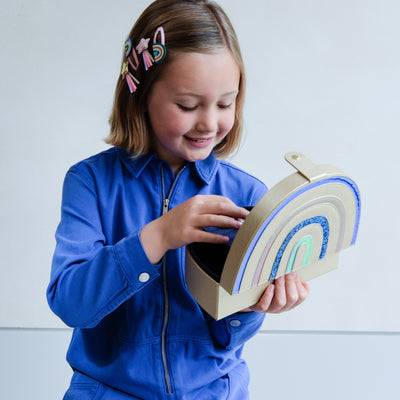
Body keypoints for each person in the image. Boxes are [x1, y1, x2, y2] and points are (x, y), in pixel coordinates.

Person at [47, 1, 310, 399]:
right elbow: (71, 304)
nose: (209, 122)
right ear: (140, 96)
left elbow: (226, 337)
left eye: (225, 103)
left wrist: (257, 306)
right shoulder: (90, 183)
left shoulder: (248, 196)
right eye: (188, 105)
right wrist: (158, 236)